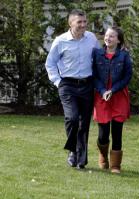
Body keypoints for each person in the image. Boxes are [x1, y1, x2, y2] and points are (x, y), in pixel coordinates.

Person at [45, 9, 100, 170]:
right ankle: (73, 151)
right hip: (67, 85)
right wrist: (57, 82)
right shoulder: (60, 41)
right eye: (79, 22)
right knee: (73, 118)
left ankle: (81, 158)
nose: (83, 25)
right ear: (70, 23)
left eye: (84, 22)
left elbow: (98, 58)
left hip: (87, 84)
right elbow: (50, 63)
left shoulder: (91, 38)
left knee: (84, 123)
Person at [92, 27, 132, 174]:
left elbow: (127, 77)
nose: (108, 38)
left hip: (118, 96)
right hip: (101, 96)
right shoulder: (97, 54)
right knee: (103, 134)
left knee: (117, 132)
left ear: (118, 40)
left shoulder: (124, 56)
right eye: (107, 35)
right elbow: (94, 76)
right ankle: (103, 155)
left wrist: (112, 90)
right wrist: (103, 91)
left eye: (112, 36)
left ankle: (115, 165)